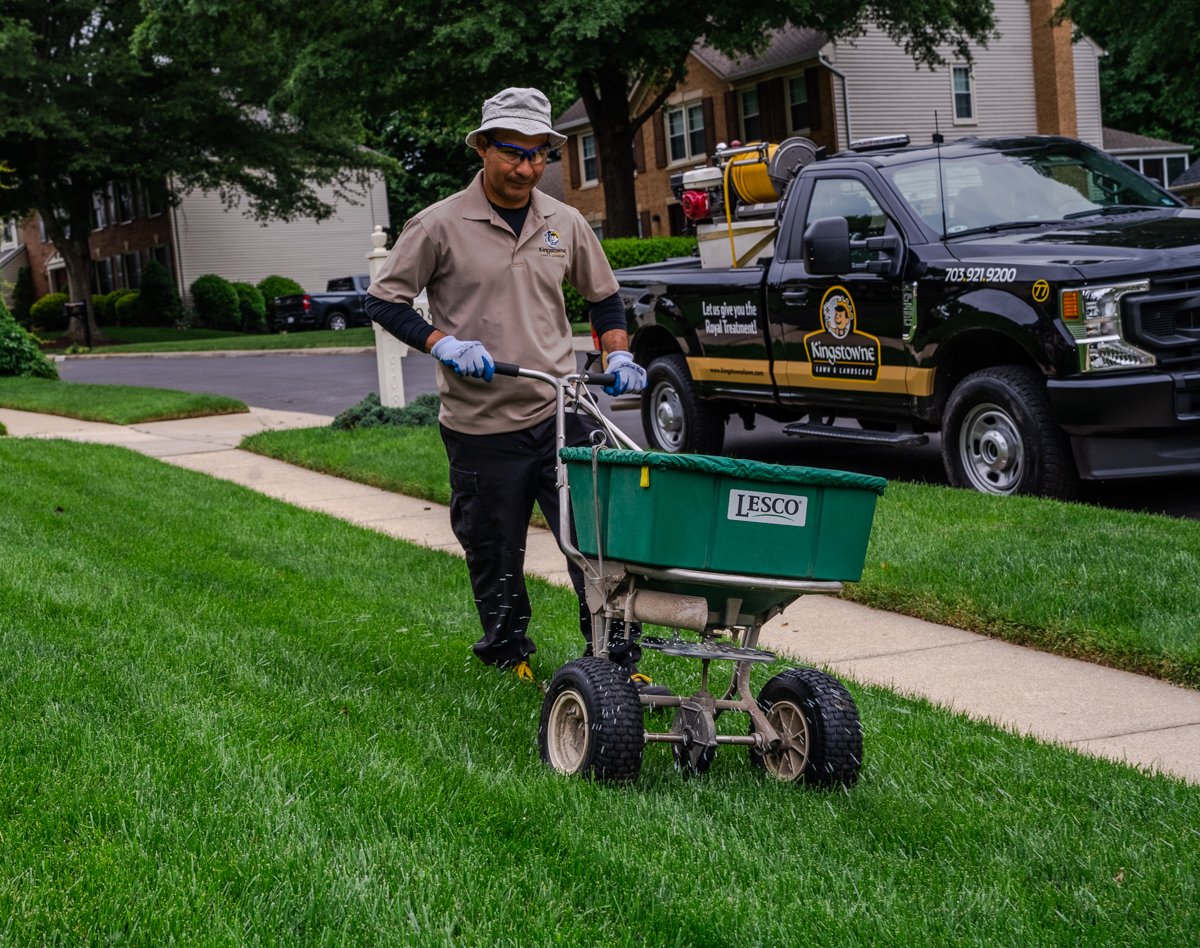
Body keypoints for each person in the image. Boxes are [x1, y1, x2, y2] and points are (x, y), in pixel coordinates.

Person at [365, 87, 650, 686]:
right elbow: (385, 301)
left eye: (539, 154)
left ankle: (614, 661)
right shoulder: (438, 224)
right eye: (513, 153)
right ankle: (507, 654)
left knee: (599, 542)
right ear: (483, 148)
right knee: (494, 548)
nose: (526, 167)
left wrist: (618, 353)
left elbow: (604, 299)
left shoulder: (564, 222)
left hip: (561, 409)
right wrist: (442, 343)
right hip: (481, 425)